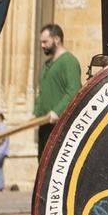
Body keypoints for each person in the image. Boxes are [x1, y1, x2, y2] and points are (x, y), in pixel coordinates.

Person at [33, 23, 80, 154]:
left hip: (59, 127)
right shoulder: (47, 64)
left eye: (45, 41)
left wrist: (57, 112)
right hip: (45, 124)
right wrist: (36, 114)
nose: (42, 45)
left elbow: (74, 90)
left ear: (57, 39)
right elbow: (42, 93)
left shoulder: (69, 61)